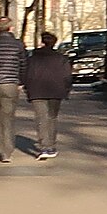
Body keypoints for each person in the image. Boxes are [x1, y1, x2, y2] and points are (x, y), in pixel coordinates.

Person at [22, 32, 72, 160]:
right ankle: (51, 146)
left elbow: (27, 75)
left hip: (37, 91)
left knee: (41, 118)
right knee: (52, 118)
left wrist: (27, 89)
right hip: (56, 91)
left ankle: (44, 146)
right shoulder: (61, 58)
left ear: (42, 42)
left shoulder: (33, 59)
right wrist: (66, 90)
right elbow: (67, 76)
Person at [0, 22, 23, 161]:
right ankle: (6, 152)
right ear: (10, 28)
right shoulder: (17, 45)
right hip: (10, 83)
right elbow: (23, 64)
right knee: (7, 118)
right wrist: (21, 81)